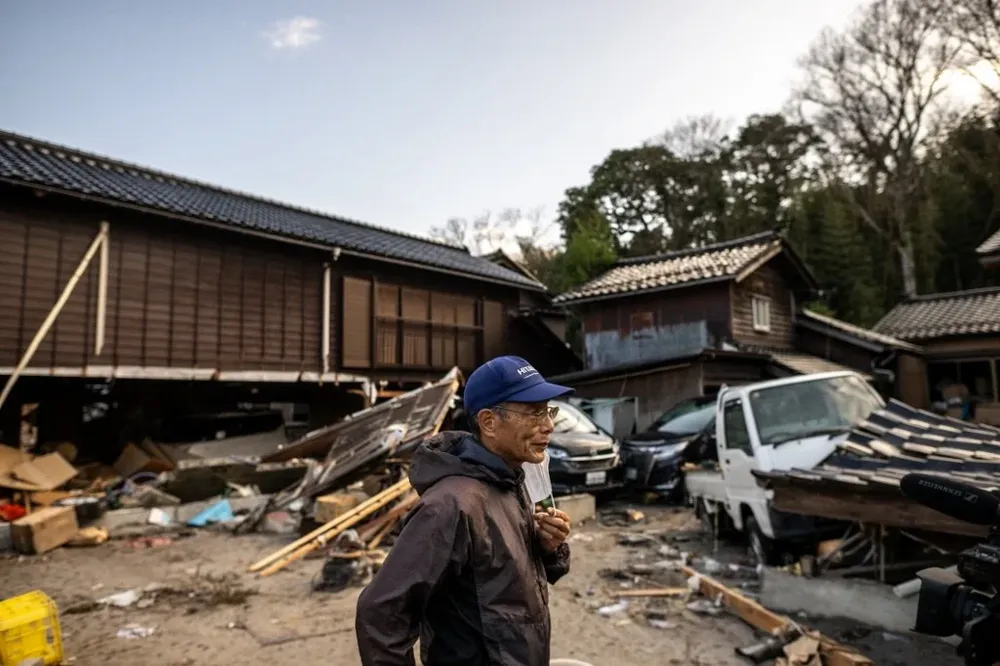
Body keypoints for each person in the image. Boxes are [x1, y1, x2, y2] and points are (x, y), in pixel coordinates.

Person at [355, 355, 575, 666]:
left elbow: (503, 580)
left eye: (548, 411)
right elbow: (380, 613)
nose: (549, 426)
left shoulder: (511, 482)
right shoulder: (451, 505)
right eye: (534, 413)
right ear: (489, 422)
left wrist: (548, 548)